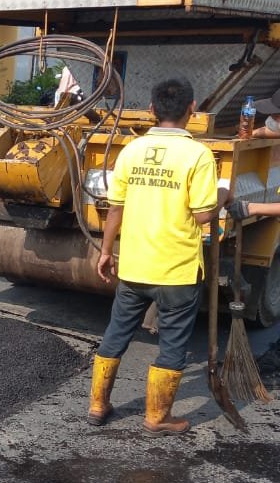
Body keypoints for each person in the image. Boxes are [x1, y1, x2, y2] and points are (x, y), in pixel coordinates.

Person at [87, 78, 221, 436]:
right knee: (173, 344)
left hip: (134, 265)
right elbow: (205, 215)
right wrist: (223, 198)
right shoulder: (198, 155)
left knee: (116, 334)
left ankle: (98, 404)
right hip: (177, 270)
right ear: (192, 109)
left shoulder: (131, 150)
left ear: (150, 110)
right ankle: (157, 418)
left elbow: (115, 207)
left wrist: (106, 251)